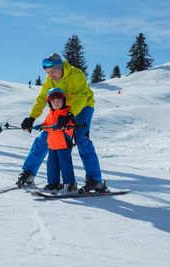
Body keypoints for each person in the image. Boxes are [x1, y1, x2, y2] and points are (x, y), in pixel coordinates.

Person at [16, 52, 108, 193]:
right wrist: (32, 117)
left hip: (83, 107)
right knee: (45, 137)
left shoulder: (76, 75)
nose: (50, 75)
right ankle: (28, 173)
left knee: (82, 138)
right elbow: (42, 98)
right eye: (48, 72)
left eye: (53, 71)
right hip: (62, 110)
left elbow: (82, 96)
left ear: (60, 68)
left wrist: (71, 115)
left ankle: (95, 180)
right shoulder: (50, 80)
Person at [33, 88, 77, 192]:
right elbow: (47, 123)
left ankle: (70, 184)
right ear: (50, 103)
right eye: (53, 101)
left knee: (65, 164)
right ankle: (53, 183)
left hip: (63, 144)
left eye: (58, 101)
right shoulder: (50, 114)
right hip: (52, 145)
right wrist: (41, 126)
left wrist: (62, 125)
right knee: (51, 165)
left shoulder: (67, 113)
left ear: (63, 101)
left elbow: (71, 124)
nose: (56, 103)